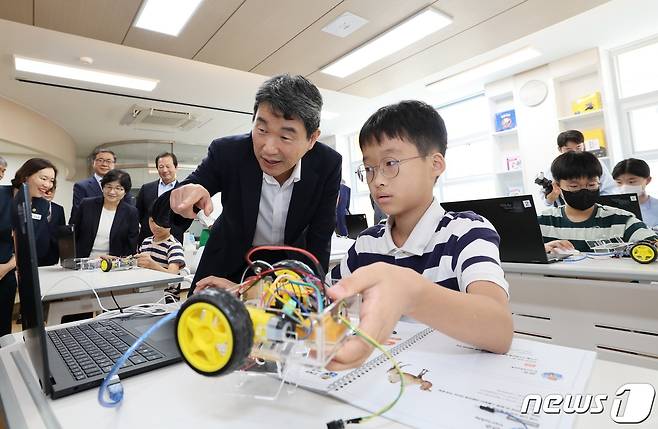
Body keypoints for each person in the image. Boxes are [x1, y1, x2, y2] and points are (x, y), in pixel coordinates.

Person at [326, 100, 513, 370]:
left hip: (450, 378)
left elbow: (499, 329)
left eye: (390, 163)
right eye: (369, 168)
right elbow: (325, 299)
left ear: (435, 164)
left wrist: (411, 293)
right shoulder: (367, 243)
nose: (377, 180)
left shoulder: (467, 233)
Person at [168, 74, 341, 294]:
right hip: (226, 264)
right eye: (262, 130)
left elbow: (321, 236)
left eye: (285, 137)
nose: (268, 148)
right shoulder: (228, 152)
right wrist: (181, 198)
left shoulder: (327, 164)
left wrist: (311, 289)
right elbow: (175, 204)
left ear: (312, 139)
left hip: (288, 270)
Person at [538, 151, 657, 253]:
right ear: (557, 186)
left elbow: (653, 243)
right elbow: (521, 252)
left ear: (599, 183)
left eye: (591, 185)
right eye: (574, 186)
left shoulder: (622, 220)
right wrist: (543, 249)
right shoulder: (542, 222)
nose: (584, 190)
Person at [70, 169, 139, 258]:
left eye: (118, 188)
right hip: (84, 261)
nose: (112, 192)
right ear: (103, 187)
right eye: (108, 187)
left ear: (125, 192)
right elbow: (74, 232)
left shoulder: (131, 212)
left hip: (112, 263)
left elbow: (130, 245)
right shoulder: (87, 205)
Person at [540, 130, 616, 207]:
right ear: (560, 149)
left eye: (578, 147)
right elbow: (546, 200)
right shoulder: (554, 168)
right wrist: (551, 198)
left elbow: (609, 189)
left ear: (583, 145)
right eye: (569, 150)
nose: (574, 152)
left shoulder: (595, 163)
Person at [10, 158, 60, 266]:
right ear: (26, 176)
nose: (47, 185)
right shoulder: (3, 195)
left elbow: (31, 241)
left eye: (51, 181)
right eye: (43, 178)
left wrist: (9, 266)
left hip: (20, 265)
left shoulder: (42, 205)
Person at [136, 211, 186, 300]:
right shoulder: (146, 242)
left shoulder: (174, 246)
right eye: (152, 221)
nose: (156, 226)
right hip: (146, 291)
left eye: (162, 222)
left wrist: (153, 265)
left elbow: (173, 276)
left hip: (166, 297)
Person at [136, 152, 183, 244]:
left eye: (168, 166)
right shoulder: (146, 188)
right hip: (147, 240)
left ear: (176, 167)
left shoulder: (183, 190)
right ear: (157, 168)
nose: (165, 170)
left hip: (173, 240)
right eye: (161, 167)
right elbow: (139, 214)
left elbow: (186, 218)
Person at [71, 148, 132, 220]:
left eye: (108, 161)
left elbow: (129, 210)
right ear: (93, 163)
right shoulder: (81, 186)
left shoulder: (123, 185)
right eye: (100, 160)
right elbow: (77, 213)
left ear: (114, 164)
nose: (104, 164)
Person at [612, 158, 658, 229]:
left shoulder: (655, 207)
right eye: (619, 182)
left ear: (648, 180)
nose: (624, 187)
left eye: (631, 182)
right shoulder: (612, 209)